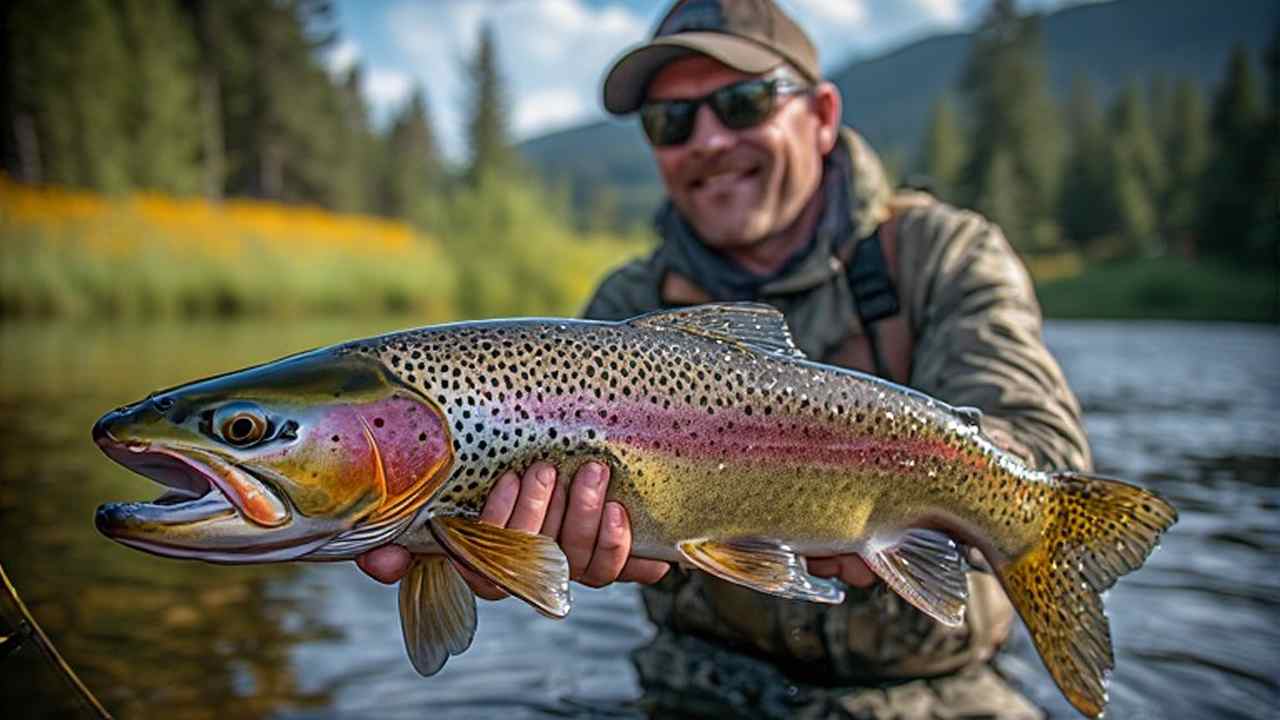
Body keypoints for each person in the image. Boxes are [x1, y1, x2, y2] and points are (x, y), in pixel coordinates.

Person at [359, 1, 1090, 717]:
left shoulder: (943, 255)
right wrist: (496, 549)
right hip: (698, 685)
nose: (707, 140)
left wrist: (903, 484)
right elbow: (559, 530)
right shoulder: (626, 307)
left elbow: (1049, 450)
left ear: (823, 115)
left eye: (743, 103)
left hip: (933, 692)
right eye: (670, 122)